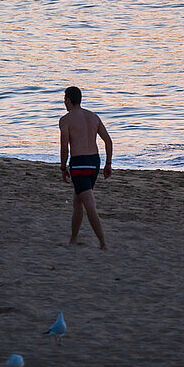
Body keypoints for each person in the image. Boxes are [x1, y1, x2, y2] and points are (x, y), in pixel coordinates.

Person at [59, 86, 112, 250]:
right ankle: (73, 240)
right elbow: (108, 142)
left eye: (64, 99)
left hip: (79, 163)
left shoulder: (66, 120)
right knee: (77, 201)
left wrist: (63, 167)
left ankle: (103, 243)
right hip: (94, 162)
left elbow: (64, 148)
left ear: (68, 100)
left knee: (89, 205)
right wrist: (108, 163)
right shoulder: (94, 117)